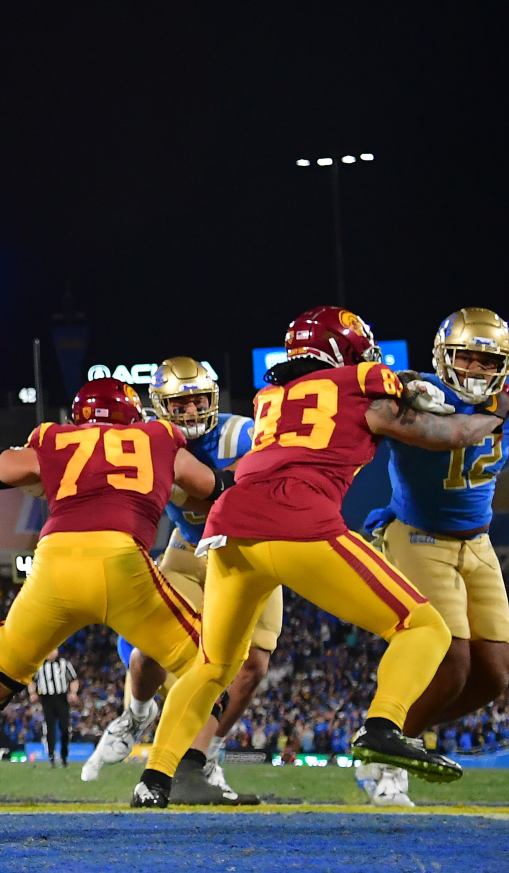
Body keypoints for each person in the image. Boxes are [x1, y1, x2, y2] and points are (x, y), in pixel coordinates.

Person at [138, 307, 505, 808]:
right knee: (426, 628)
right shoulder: (362, 384)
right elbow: (452, 435)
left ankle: (155, 780)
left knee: (213, 664)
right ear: (341, 353)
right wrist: (492, 407)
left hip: (230, 528)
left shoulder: (271, 398)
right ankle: (381, 728)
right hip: (298, 521)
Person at [0, 378, 224, 805]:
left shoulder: (54, 438)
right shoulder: (159, 437)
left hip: (54, 564)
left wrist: (40, 466)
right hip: (122, 562)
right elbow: (211, 487)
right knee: (208, 670)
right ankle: (164, 777)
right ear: (134, 417)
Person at [83, 356, 275, 804]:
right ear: (161, 407)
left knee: (254, 666)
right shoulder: (149, 442)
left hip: (252, 554)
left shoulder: (242, 433)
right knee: (150, 649)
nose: (190, 412)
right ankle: (136, 713)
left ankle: (204, 757)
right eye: (180, 404)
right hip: (190, 551)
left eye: (198, 401)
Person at [355, 308, 509, 806]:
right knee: (452, 664)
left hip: (479, 542)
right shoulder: (421, 390)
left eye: (489, 362)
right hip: (419, 536)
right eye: (466, 357)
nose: (477, 370)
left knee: (493, 675)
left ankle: (392, 730)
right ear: (444, 357)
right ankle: (391, 757)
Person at [32, 651, 78, 766]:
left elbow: (73, 679)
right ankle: (51, 756)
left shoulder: (63, 663)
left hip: (61, 698)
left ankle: (64, 756)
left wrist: (73, 692)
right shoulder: (40, 665)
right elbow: (32, 680)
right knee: (50, 728)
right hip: (46, 699)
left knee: (65, 728)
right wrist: (32, 693)